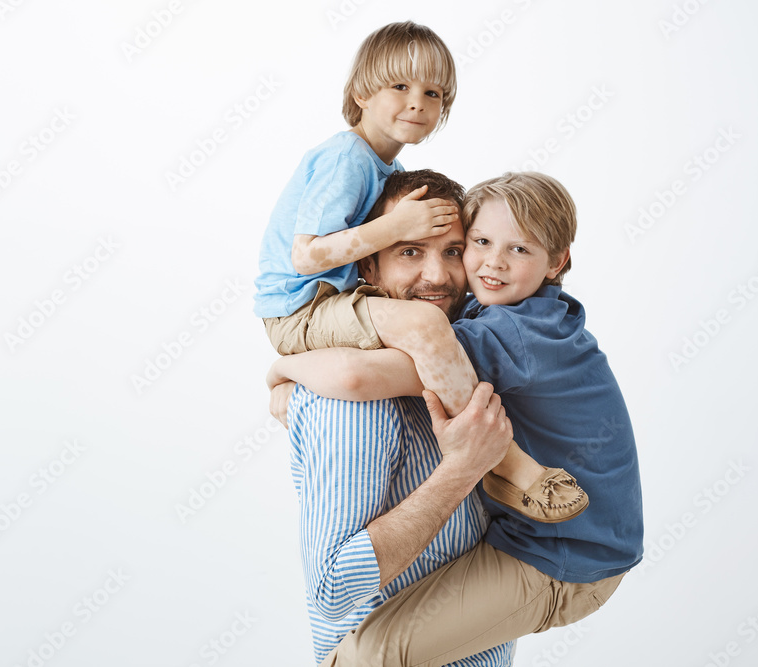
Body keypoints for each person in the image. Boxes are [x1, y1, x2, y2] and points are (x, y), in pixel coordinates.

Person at [276, 172, 645, 666]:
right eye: (481, 243)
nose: (492, 262)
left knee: (371, 654)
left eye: (520, 249)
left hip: (568, 559)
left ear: (558, 261)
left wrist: (281, 369)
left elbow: (357, 375)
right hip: (540, 540)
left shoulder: (512, 332)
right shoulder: (511, 310)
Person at [255, 21, 584, 521]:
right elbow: (306, 257)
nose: (418, 103)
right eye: (401, 87)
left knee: (429, 331)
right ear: (362, 92)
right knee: (426, 324)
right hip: (302, 308)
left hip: (326, 305)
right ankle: (504, 459)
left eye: (433, 93)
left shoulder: (383, 170)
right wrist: (396, 227)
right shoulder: (348, 157)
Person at [270, 170, 517, 665]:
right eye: (409, 251)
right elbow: (334, 586)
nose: (438, 276)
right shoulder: (350, 403)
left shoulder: (468, 355)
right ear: (368, 267)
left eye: (452, 251)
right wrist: (461, 470)